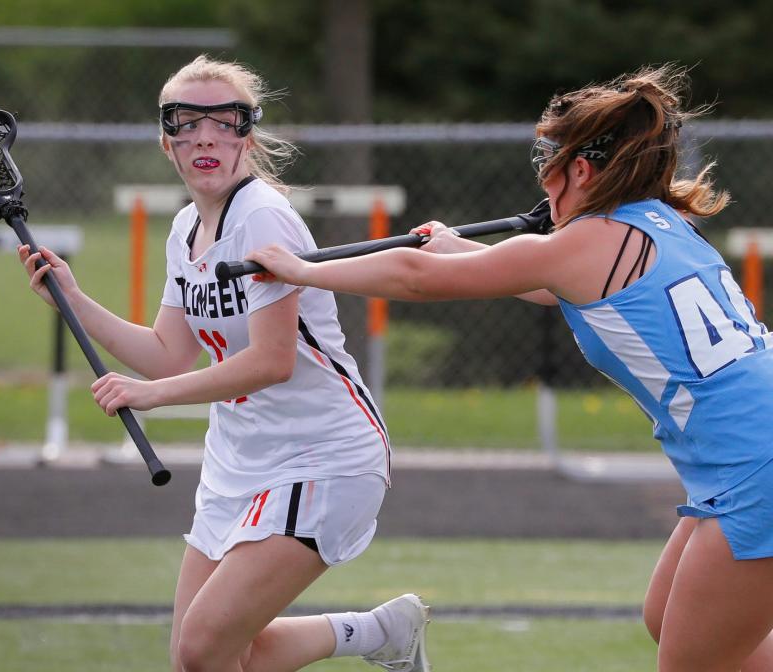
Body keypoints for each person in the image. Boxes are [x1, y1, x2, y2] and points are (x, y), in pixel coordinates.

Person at [247, 63, 773, 672]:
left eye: (549, 162)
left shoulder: (583, 244)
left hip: (752, 467)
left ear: (581, 169)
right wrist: (466, 252)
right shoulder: (659, 223)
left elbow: (417, 277)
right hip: (745, 454)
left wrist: (304, 270)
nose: (544, 181)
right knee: (669, 619)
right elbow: (556, 285)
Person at [18, 54, 430, 672]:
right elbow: (168, 354)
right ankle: (377, 633)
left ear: (247, 135)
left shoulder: (261, 218)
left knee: (204, 647)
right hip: (240, 460)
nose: (206, 136)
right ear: (167, 141)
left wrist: (149, 398)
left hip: (322, 455)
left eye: (226, 121)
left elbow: (271, 362)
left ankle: (378, 635)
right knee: (204, 660)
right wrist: (73, 300)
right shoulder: (186, 227)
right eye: (187, 122)